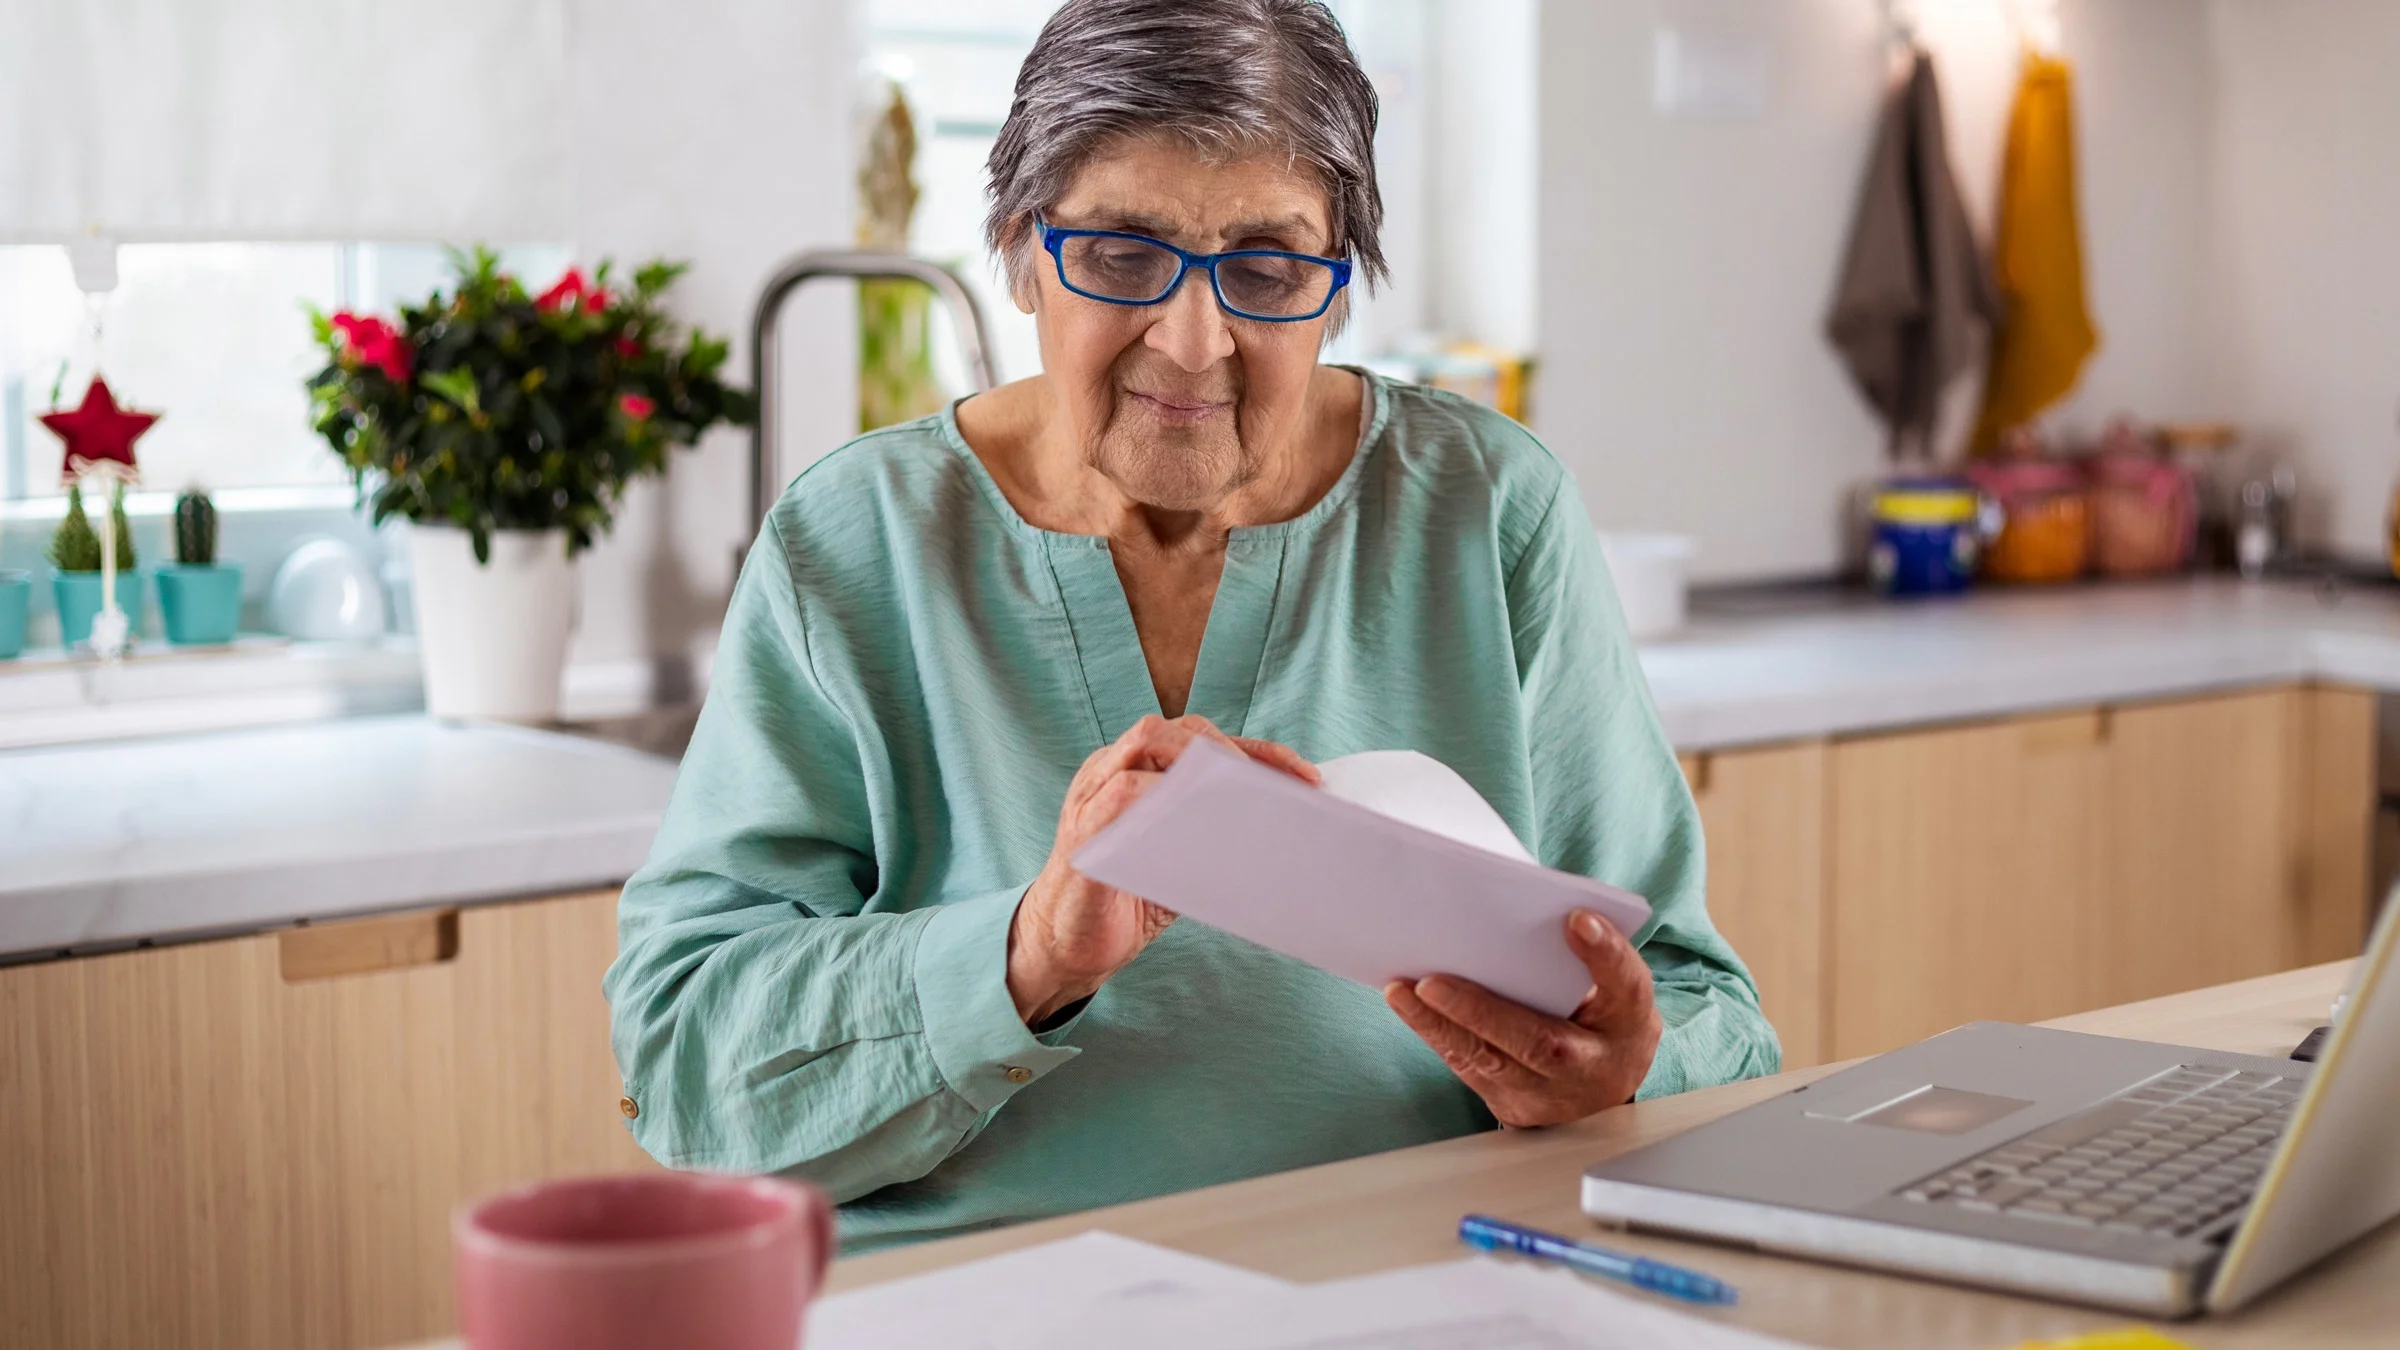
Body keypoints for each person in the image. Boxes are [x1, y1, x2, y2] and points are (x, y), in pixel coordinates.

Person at [605, 0, 1777, 1253]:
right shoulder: (854, 540)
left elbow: (1708, 1019)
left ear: (1338, 288)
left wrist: (1617, 1070)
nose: (1193, 340)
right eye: (1119, 254)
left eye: (1268, 271)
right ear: (1018, 253)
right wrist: (1027, 953)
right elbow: (684, 1069)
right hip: (985, 1304)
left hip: (1415, 1286)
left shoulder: (1489, 513)